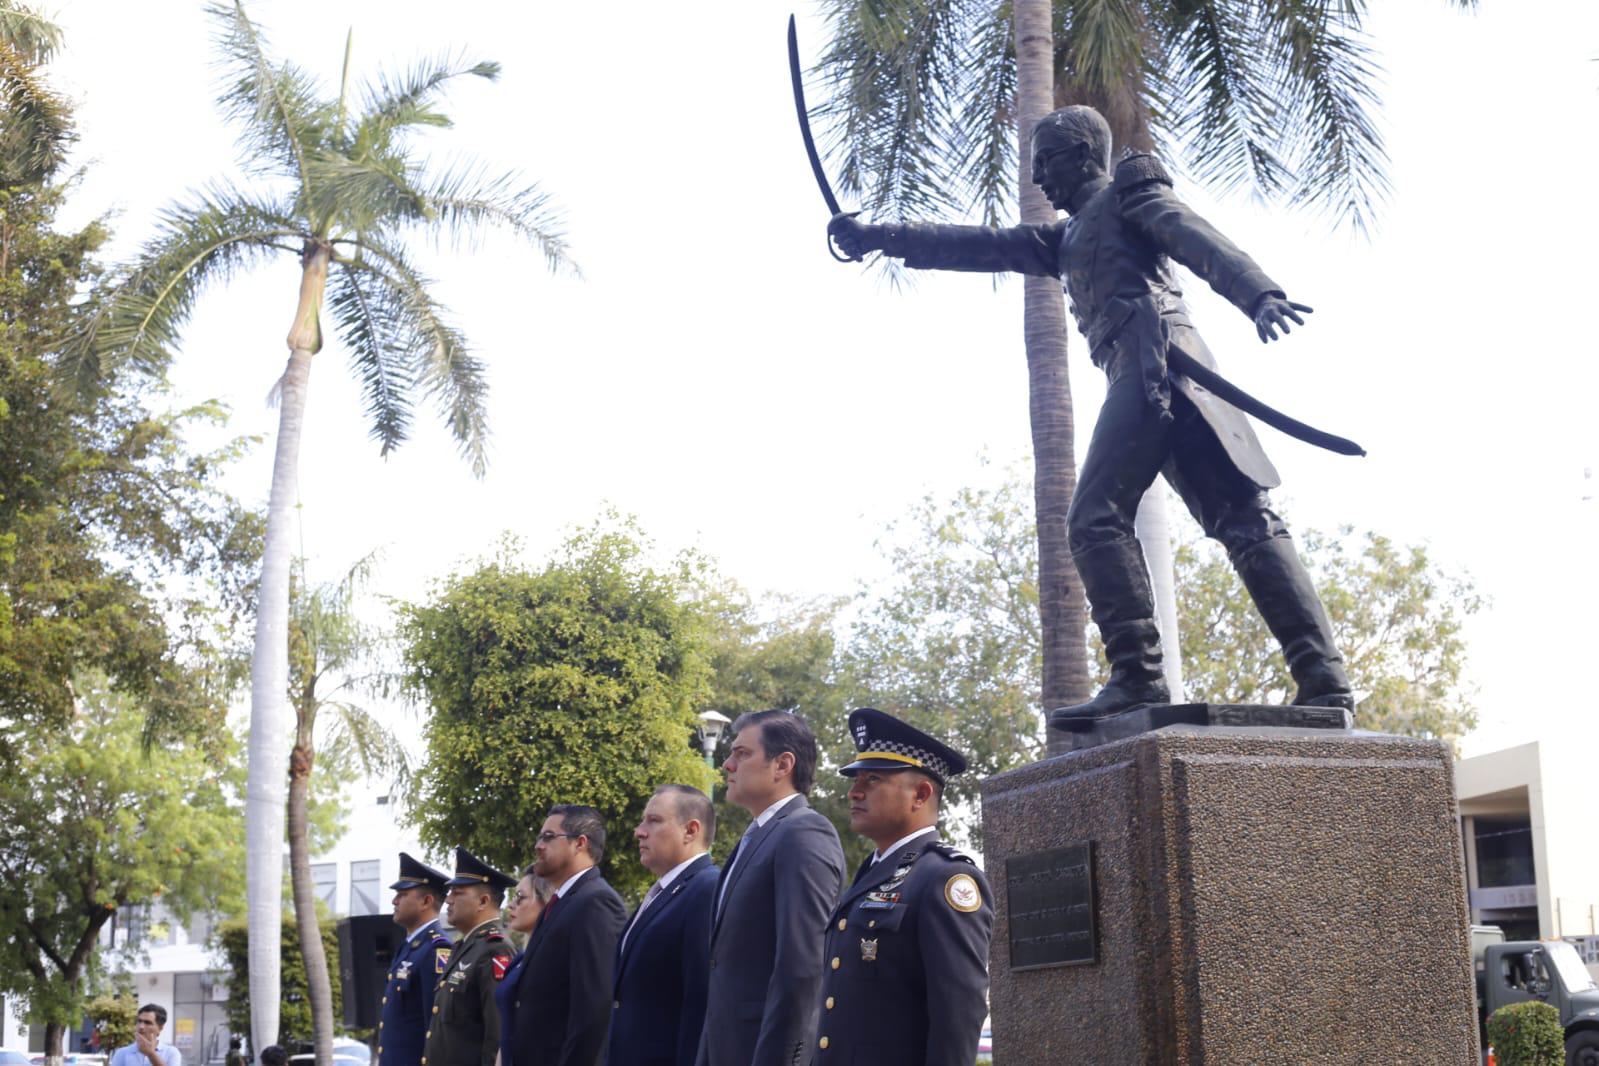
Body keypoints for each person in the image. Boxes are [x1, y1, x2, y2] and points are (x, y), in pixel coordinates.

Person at [829, 104, 1354, 725]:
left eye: (1046, 163)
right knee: (1243, 522)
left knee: (1105, 518)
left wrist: (1258, 293)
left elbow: (1194, 237)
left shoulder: (1128, 197)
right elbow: (982, 245)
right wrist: (881, 237)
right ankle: (1320, 678)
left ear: (1082, 155)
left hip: (1157, 361)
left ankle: (1143, 676)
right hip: (1145, 371)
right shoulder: (1064, 238)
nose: (1039, 179)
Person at [812, 708, 994, 1065]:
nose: (854, 792)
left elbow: (958, 1016)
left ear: (921, 794)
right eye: (856, 780)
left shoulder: (945, 879)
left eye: (872, 780)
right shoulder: (873, 874)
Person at [696, 710, 845, 1066]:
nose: (728, 765)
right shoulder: (757, 837)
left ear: (782, 765)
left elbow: (802, 967)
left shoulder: (803, 832)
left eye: (742, 753)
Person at [503, 805, 627, 1066]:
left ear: (580, 843)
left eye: (549, 837)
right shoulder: (561, 903)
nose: (538, 846)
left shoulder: (596, 902)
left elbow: (593, 1011)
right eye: (539, 837)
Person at [606, 784, 719, 1066]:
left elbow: (699, 999)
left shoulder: (705, 889)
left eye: (654, 820)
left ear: (690, 830)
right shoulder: (664, 892)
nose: (639, 831)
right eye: (643, 821)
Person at [424, 848, 517, 1066]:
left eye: (457, 893)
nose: (448, 900)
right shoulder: (463, 947)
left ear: (483, 901)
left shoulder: (495, 949)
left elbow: (497, 1036)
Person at [378, 852, 453, 1066]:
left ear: (426, 901)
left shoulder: (436, 948)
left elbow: (435, 1024)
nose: (394, 901)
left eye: (402, 894)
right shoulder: (409, 946)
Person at [492, 868, 554, 1066]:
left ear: (547, 901)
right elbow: (505, 1033)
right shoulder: (518, 960)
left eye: (520, 897)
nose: (511, 905)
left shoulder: (554, 959)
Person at [110, 1005, 181, 1066]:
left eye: (148, 1023)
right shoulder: (122, 1053)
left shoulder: (171, 1052)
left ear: (160, 1028)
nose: (141, 1026)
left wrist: (151, 1054)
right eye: (139, 1021)